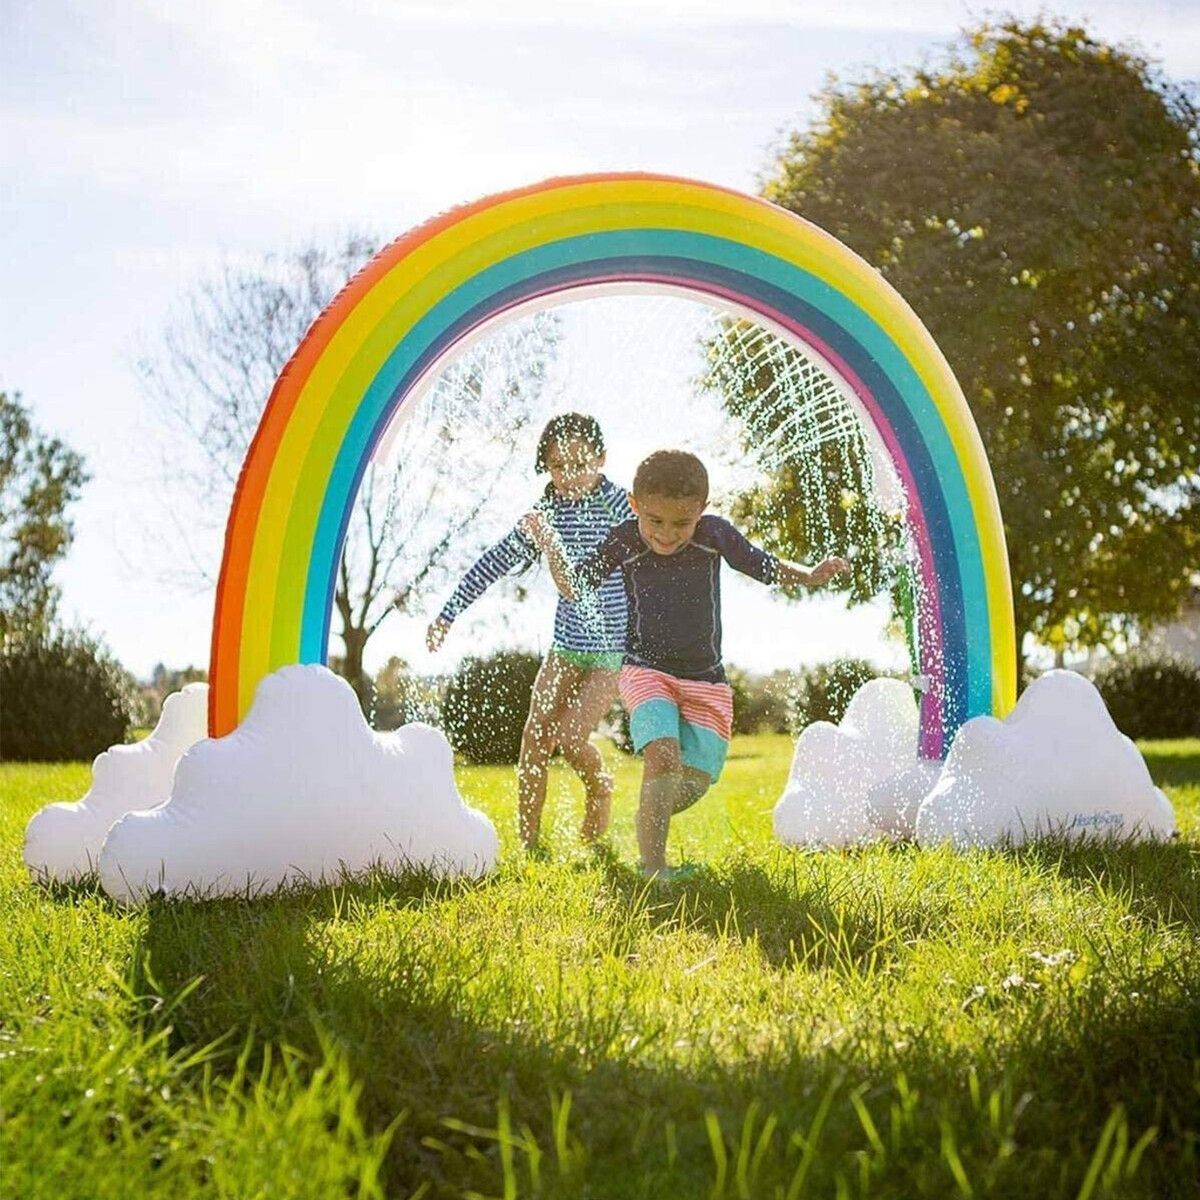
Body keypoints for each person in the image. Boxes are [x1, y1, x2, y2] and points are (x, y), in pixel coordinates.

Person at [522, 449, 849, 879]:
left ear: (702, 510)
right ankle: (654, 869)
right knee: (663, 757)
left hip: (706, 681)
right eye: (654, 520)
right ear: (635, 505)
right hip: (645, 670)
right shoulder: (624, 538)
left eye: (681, 522)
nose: (667, 534)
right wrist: (549, 543)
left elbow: (759, 564)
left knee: (692, 783)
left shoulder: (713, 535)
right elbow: (573, 586)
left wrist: (809, 574)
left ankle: (645, 815)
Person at [426, 413, 632, 850]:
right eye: (559, 466)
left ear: (601, 458)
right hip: (566, 647)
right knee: (535, 735)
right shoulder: (546, 515)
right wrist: (448, 613)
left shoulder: (616, 503)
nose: (570, 475)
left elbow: (654, 525)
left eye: (580, 463)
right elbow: (493, 561)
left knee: (573, 738)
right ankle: (529, 847)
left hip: (612, 652)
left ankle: (600, 786)